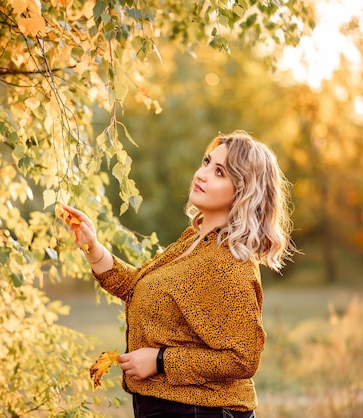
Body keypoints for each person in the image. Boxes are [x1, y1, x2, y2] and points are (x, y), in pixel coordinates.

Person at [61, 130, 295, 417]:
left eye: (219, 171)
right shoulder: (195, 241)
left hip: (202, 410)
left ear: (244, 191)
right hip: (169, 406)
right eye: (207, 162)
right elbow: (137, 288)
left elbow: (243, 358)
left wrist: (161, 361)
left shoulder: (230, 264)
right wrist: (93, 247)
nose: (202, 174)